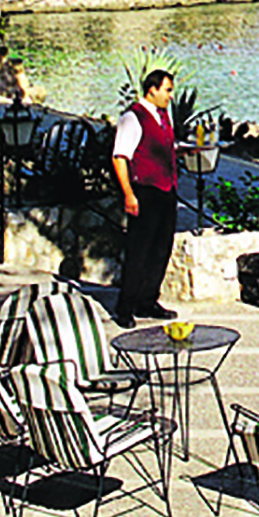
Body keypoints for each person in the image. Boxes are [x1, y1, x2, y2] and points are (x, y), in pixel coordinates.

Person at [108, 66, 179, 326]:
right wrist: (128, 193)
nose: (170, 96)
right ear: (153, 89)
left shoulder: (163, 116)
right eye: (167, 90)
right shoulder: (133, 118)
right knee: (139, 250)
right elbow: (120, 157)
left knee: (161, 249)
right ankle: (125, 307)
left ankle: (147, 300)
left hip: (166, 190)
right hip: (145, 191)